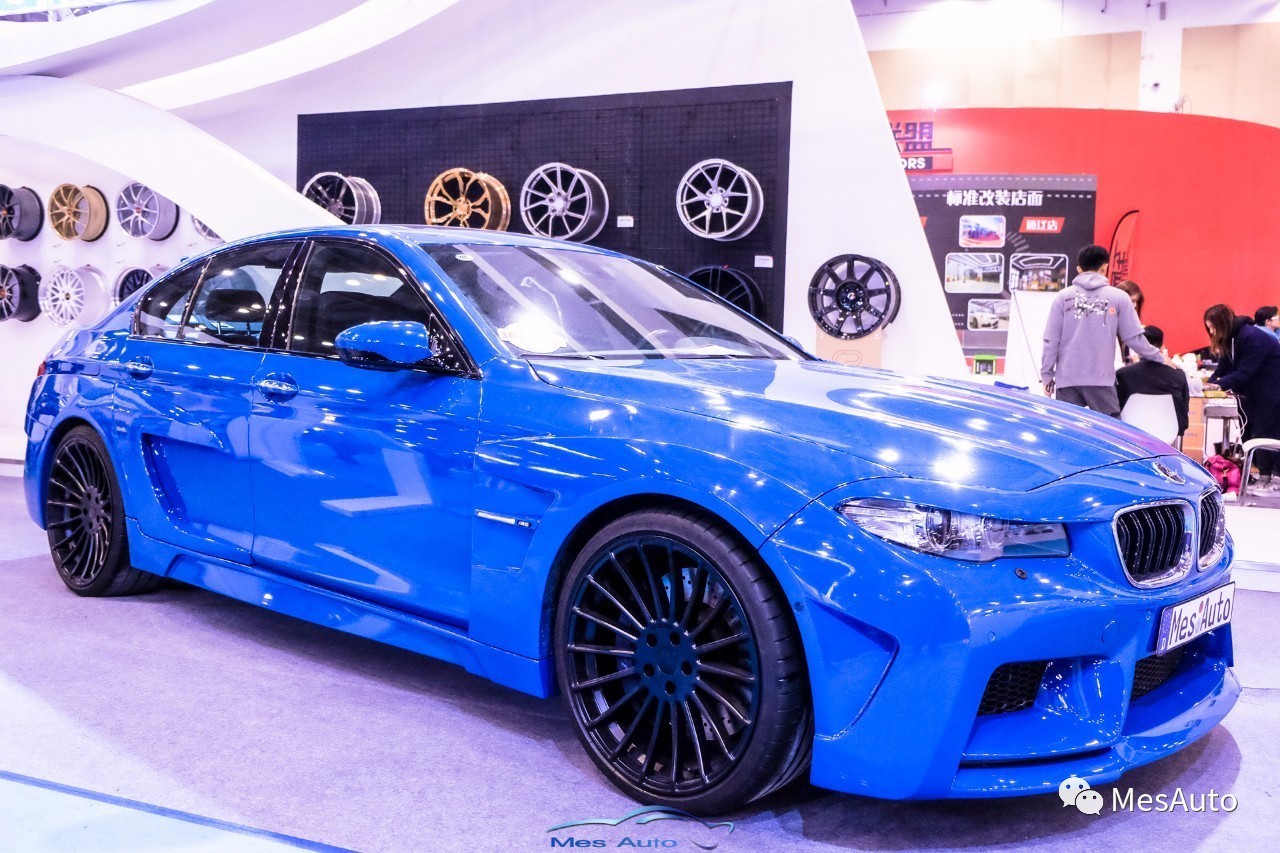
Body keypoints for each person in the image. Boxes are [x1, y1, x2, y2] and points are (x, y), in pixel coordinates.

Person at [1040, 245, 1162, 417]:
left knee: (1067, 428)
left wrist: (1046, 375)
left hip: (1067, 380)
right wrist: (1160, 358)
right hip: (1101, 380)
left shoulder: (1063, 297)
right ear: (1105, 267)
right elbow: (1134, 338)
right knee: (1110, 429)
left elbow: (1051, 340)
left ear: (1079, 269)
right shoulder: (1119, 297)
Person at [1205, 304, 1280, 490]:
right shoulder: (1229, 340)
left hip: (1270, 392)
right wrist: (1212, 383)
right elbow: (1223, 368)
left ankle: (1275, 477)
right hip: (1249, 396)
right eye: (1209, 328)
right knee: (1249, 434)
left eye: (1213, 327)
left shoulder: (1252, 337)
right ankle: (1263, 475)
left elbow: (1245, 372)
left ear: (1223, 323)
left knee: (1266, 434)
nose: (1211, 332)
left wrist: (1220, 384)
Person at [1116, 325, 1190, 437]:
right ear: (1162, 348)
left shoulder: (1123, 374)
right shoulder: (1178, 374)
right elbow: (1184, 407)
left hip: (1131, 429)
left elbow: (1117, 407)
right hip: (1170, 430)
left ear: (1139, 347)